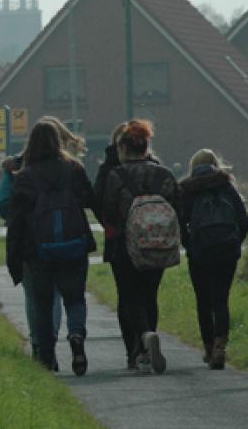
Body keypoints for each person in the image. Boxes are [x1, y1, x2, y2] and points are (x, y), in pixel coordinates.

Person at [6, 121, 97, 375]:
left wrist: (14, 259)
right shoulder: (74, 169)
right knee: (75, 298)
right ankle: (77, 336)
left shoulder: (25, 177)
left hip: (38, 251)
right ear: (59, 141)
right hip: (74, 247)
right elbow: (90, 199)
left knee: (43, 303)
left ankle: (47, 359)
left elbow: (16, 222)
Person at [100, 120, 180, 374]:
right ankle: (146, 345)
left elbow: (107, 210)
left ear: (123, 147)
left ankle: (141, 342)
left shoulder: (116, 175)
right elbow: (178, 207)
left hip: (126, 244)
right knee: (149, 296)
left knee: (129, 296)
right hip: (158, 246)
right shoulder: (164, 174)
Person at [179, 149, 248, 370]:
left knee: (203, 301)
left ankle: (209, 348)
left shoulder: (187, 190)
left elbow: (180, 223)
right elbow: (244, 221)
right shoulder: (226, 186)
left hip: (200, 252)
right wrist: (234, 241)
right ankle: (221, 345)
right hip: (226, 252)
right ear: (215, 164)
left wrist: (189, 246)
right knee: (221, 299)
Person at [0, 153, 62, 367]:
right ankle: (53, 343)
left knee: (34, 297)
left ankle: (38, 346)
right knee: (55, 296)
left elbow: (3, 204)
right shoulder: (66, 171)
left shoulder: (23, 177)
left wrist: (8, 174)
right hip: (61, 240)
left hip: (29, 244)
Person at [93, 122, 138, 369]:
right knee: (148, 293)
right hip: (150, 239)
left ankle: (131, 348)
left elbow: (97, 201)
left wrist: (109, 224)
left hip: (118, 239)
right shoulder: (153, 165)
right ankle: (147, 336)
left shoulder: (106, 170)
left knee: (125, 294)